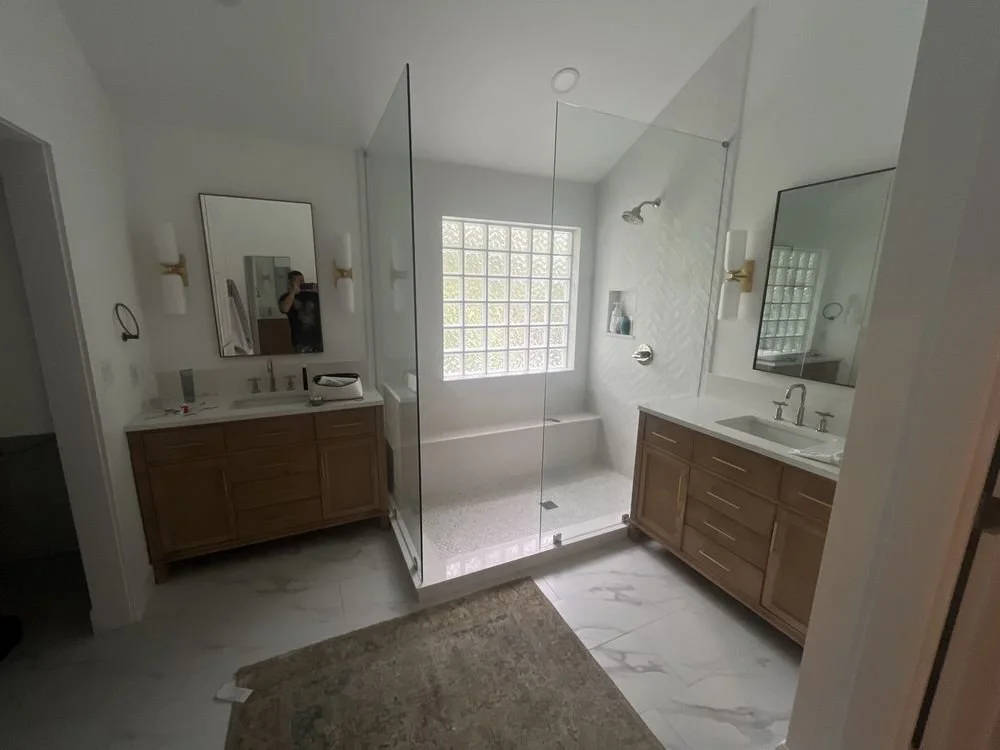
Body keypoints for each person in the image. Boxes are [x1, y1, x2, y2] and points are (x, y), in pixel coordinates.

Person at [278, 271, 322, 353]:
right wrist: (293, 292)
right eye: (298, 281)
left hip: (318, 338)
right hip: (300, 341)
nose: (301, 283)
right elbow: (284, 308)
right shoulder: (286, 297)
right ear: (290, 283)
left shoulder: (312, 294)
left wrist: (321, 292)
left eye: (302, 281)